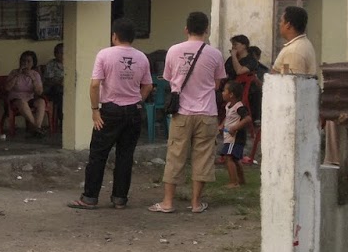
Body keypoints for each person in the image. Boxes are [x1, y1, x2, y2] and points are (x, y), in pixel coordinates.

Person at [69, 18, 152, 210]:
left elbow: (95, 84)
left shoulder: (105, 55)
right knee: (125, 156)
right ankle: (120, 198)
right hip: (133, 112)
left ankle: (89, 198)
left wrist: (95, 110)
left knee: (98, 155)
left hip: (110, 110)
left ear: (114, 36)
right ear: (133, 37)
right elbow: (148, 86)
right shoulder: (141, 57)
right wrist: (137, 101)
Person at [150, 11, 226, 214]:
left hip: (181, 113)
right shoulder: (215, 54)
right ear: (206, 30)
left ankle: (167, 202)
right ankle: (196, 203)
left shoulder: (173, 51)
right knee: (203, 158)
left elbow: (168, 79)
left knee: (175, 156)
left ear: (186, 29)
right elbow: (217, 84)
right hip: (207, 112)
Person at [2, 50, 48, 136]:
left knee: (41, 102)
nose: (25, 63)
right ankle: (37, 128)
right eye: (23, 61)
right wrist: (17, 75)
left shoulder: (35, 74)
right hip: (16, 99)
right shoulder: (14, 72)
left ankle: (37, 127)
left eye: (28, 61)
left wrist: (32, 78)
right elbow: (7, 88)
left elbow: (39, 92)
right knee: (22, 102)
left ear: (33, 63)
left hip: (30, 98)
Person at [218, 80, 251, 187]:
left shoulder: (239, 107)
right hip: (229, 137)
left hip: (235, 137)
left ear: (231, 94)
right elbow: (228, 118)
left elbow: (247, 118)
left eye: (224, 91)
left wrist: (235, 127)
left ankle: (234, 182)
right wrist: (222, 125)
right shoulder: (229, 106)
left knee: (229, 158)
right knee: (236, 159)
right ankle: (241, 180)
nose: (222, 93)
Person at [272, 5, 319, 77]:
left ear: (288, 25)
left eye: (281, 21)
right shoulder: (301, 44)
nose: (280, 24)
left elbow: (290, 81)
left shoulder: (293, 52)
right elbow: (286, 71)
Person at [40, 42, 65, 111]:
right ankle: (61, 115)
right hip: (52, 88)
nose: (60, 55)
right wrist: (59, 81)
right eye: (58, 53)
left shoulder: (70, 63)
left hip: (67, 87)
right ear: (55, 54)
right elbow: (48, 80)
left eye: (62, 52)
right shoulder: (51, 64)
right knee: (60, 92)